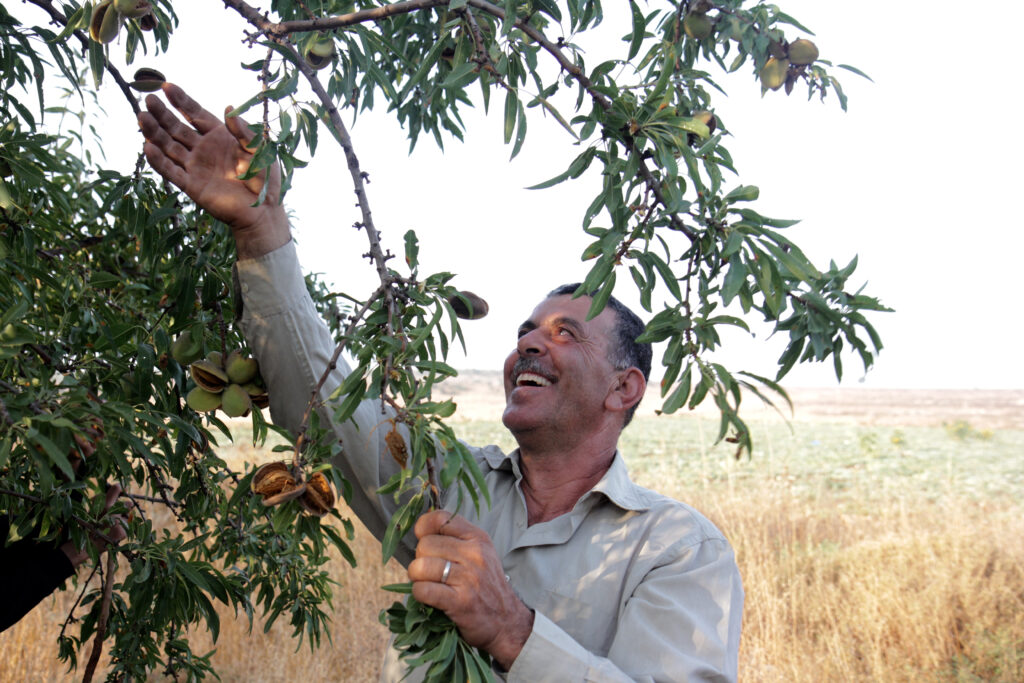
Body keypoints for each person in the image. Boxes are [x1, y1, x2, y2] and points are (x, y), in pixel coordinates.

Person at [139, 83, 744, 682]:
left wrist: (513, 631)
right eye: (526, 331)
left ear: (624, 389)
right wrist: (262, 232)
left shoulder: (677, 550)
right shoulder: (447, 483)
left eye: (565, 334)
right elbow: (325, 403)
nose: (528, 343)